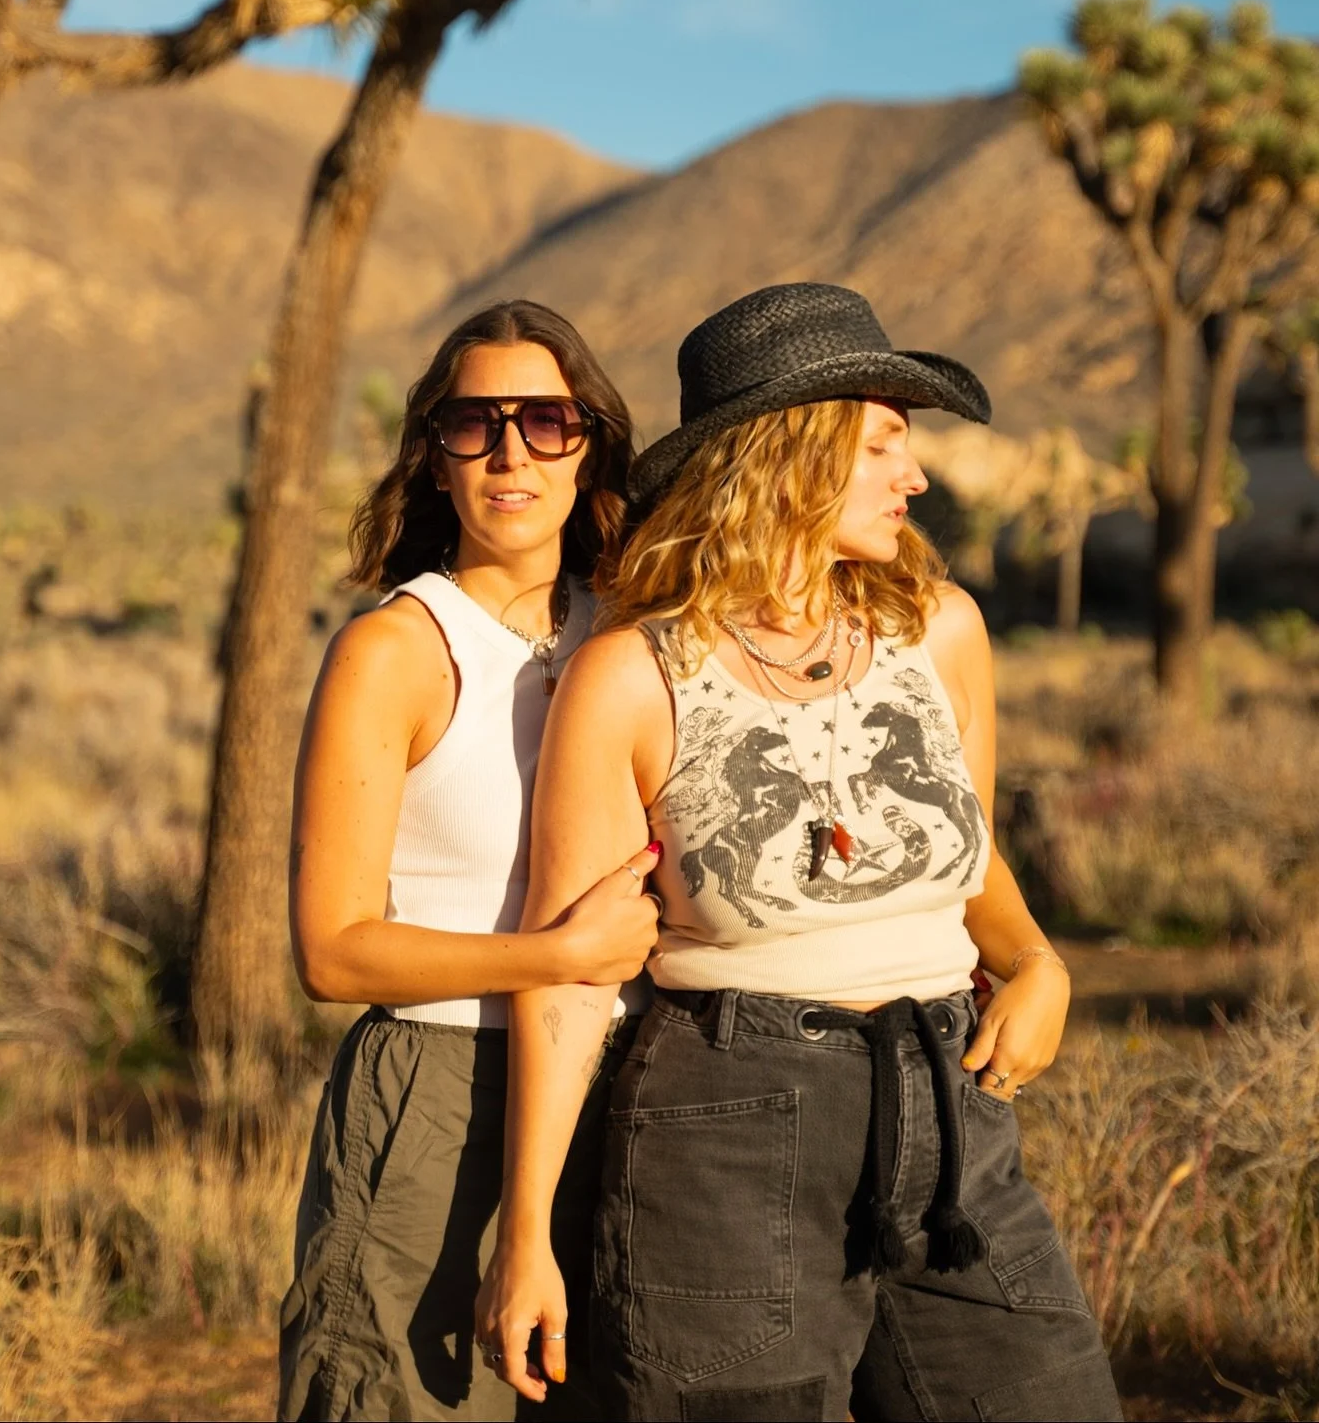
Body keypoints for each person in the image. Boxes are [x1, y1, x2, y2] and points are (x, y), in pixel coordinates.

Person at [477, 284, 1123, 1422]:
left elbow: (964, 858)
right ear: (791, 453)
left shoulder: (944, 630)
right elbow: (569, 977)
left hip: (948, 1104)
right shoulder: (632, 675)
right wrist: (525, 1235)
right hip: (726, 1124)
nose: (914, 476)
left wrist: (1038, 961)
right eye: (883, 443)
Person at [278, 300, 661, 1423]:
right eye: (472, 423)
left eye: (544, 419)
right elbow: (330, 951)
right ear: (431, 458)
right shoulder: (396, 648)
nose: (509, 452)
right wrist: (554, 952)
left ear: (588, 441)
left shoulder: (634, 634)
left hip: (626, 1090)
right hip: (436, 1098)